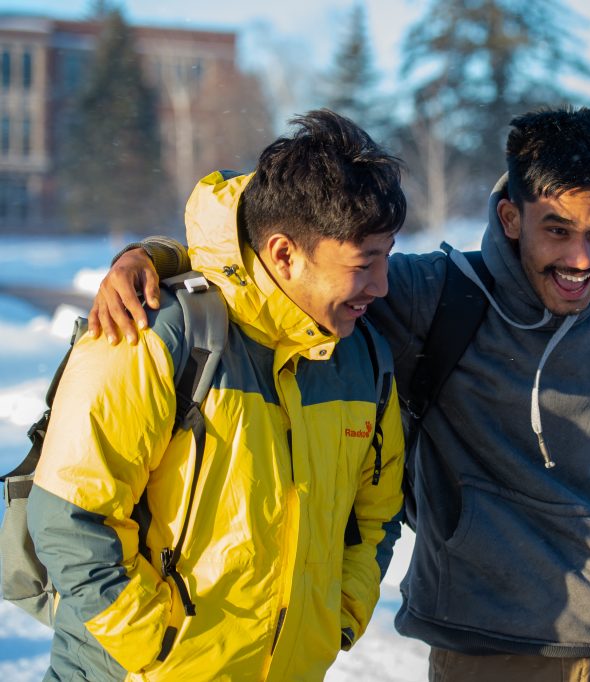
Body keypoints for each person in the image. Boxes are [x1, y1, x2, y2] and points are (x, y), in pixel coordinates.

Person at [91, 106, 590, 682]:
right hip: (482, 639)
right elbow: (291, 252)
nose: (582, 258)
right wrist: (152, 256)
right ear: (511, 219)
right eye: (558, 231)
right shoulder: (436, 295)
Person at [28, 109, 406, 681]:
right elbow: (70, 519)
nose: (381, 285)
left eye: (387, 255)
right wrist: (161, 649)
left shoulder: (363, 360)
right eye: (363, 263)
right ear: (283, 253)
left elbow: (373, 517)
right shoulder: (153, 333)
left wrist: (339, 616)